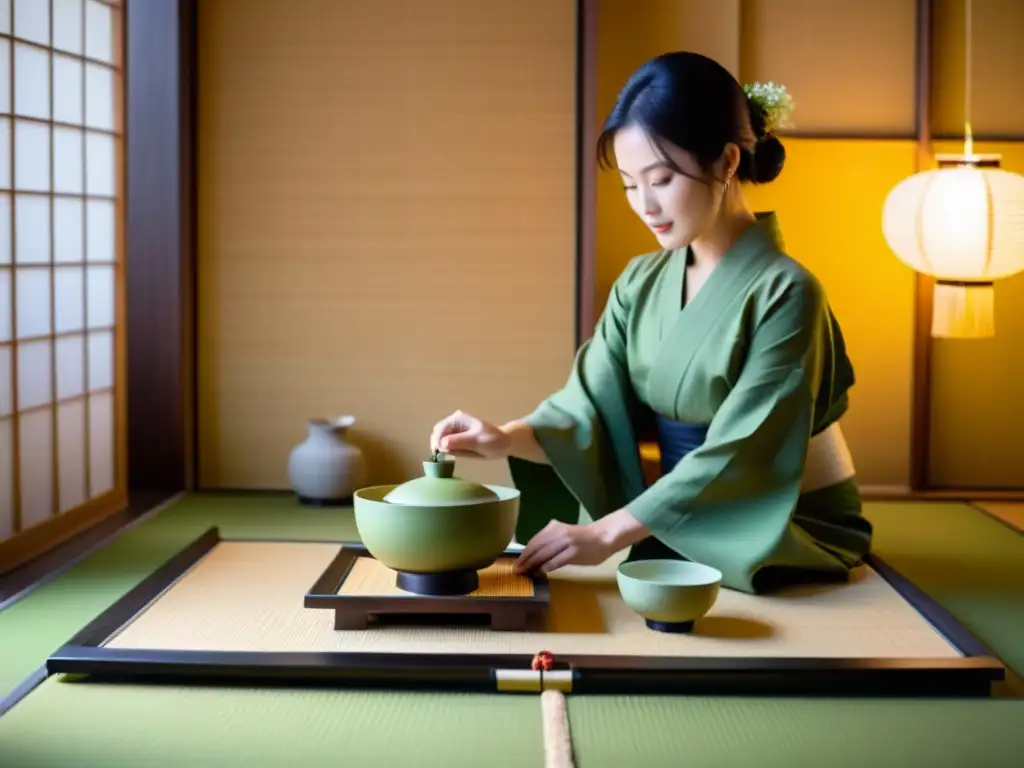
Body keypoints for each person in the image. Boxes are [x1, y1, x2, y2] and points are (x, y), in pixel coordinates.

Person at [429, 51, 872, 594]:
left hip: (777, 518)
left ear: (729, 161)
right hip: (677, 511)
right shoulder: (641, 281)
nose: (645, 205)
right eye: (629, 186)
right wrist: (506, 437)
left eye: (661, 179)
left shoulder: (788, 292)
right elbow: (586, 406)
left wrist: (611, 530)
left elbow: (744, 449)